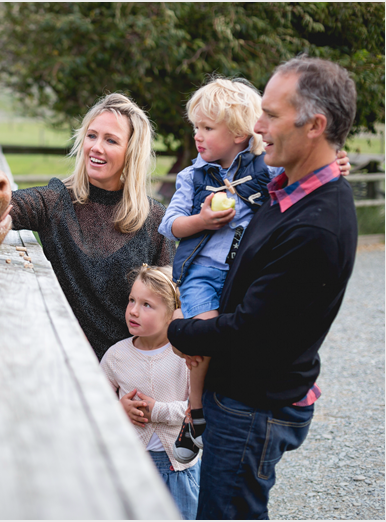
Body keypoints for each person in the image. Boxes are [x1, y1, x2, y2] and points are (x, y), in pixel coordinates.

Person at [167, 56, 359, 519]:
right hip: (239, 394)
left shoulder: (317, 226)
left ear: (315, 125)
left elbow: (252, 330)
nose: (258, 124)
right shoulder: (287, 193)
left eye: (271, 114)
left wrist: (178, 331)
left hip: (251, 405)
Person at [10, 93, 176, 360]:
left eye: (110, 140)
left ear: (131, 151)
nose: (96, 147)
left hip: (131, 372)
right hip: (67, 363)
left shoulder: (155, 219)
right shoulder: (56, 202)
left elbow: (171, 305)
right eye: (91, 136)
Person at [100, 264, 199, 520]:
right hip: (130, 465)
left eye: (147, 305)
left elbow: (199, 408)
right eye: (132, 300)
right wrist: (117, 409)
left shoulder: (185, 356)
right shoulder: (116, 356)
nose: (133, 310)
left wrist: (159, 411)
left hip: (179, 467)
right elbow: (94, 404)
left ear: (172, 313)